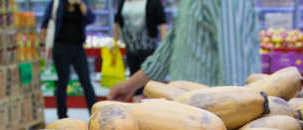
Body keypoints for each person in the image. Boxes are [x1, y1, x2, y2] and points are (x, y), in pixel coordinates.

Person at [108, 0, 261, 101]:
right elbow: (170, 48)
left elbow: (235, 68)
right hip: (189, 114)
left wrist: (234, 122)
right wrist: (130, 85)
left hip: (214, 119)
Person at [40, 0, 98, 118]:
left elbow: (91, 18)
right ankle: (62, 115)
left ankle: (95, 113)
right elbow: (45, 23)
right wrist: (42, 45)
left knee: (86, 81)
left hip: (78, 47)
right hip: (60, 47)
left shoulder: (81, 3)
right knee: (63, 81)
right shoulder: (56, 3)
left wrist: (80, 3)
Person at [113, 0, 168, 100]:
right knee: (134, 79)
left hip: (149, 49)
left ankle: (152, 106)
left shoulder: (153, 2)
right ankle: (137, 105)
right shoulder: (124, 2)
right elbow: (117, 21)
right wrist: (115, 42)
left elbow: (162, 23)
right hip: (131, 48)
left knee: (151, 81)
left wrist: (164, 45)